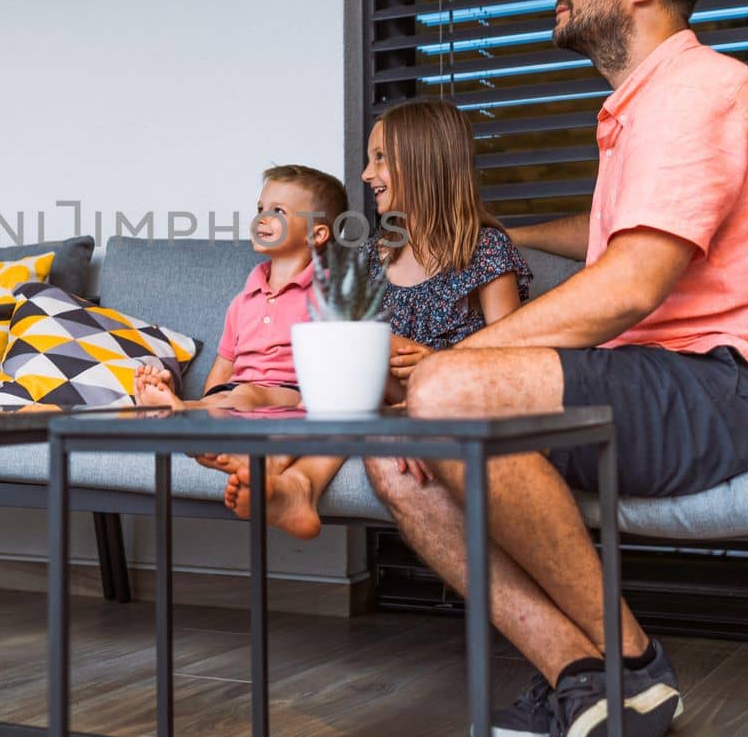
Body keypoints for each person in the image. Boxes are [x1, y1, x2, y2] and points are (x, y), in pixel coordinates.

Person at [364, 0, 748, 737]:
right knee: (388, 455)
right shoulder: (642, 109)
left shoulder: (700, 93)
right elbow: (620, 246)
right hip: (672, 377)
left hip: (744, 384)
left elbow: (631, 284)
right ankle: (580, 678)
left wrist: (453, 363)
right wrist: (518, 228)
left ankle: (632, 662)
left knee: (441, 393)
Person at [214, 100, 532, 540]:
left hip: (456, 400)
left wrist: (434, 376)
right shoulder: (368, 257)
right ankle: (295, 482)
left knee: (372, 345)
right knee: (350, 352)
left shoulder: (485, 251)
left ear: (424, 162)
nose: (366, 175)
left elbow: (515, 357)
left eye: (380, 158)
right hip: (377, 404)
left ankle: (289, 469)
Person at [133, 165, 347, 411]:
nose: (261, 218)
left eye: (278, 211)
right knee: (220, 399)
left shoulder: (328, 292)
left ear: (316, 235)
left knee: (246, 393)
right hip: (237, 392)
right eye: (260, 209)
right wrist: (209, 399)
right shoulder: (243, 300)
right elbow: (224, 366)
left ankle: (182, 412)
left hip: (294, 394)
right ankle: (182, 414)